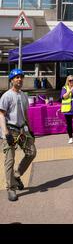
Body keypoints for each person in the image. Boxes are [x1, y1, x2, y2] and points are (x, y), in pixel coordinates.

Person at [0, 69, 37, 202]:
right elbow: (1, 115)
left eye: (21, 77)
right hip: (10, 130)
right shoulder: (6, 96)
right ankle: (10, 188)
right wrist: (6, 133)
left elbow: (26, 114)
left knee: (32, 152)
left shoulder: (23, 95)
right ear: (11, 80)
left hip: (22, 130)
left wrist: (31, 131)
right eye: (16, 77)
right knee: (10, 160)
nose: (19, 79)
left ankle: (17, 175)